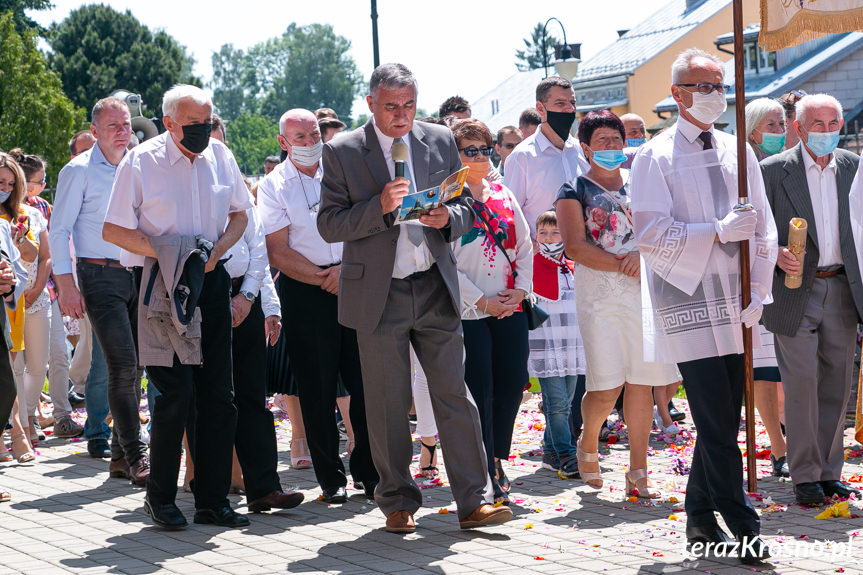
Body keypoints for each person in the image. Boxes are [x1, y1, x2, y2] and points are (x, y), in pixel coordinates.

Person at [317, 63, 512, 533]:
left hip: (433, 285)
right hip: (378, 293)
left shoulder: (439, 140)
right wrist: (380, 207)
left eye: (408, 105)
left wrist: (449, 218)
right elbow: (330, 224)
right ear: (370, 104)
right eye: (391, 106)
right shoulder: (342, 151)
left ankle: (474, 500)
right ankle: (398, 500)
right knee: (386, 401)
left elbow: (467, 207)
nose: (402, 115)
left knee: (454, 394)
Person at [631, 48, 776, 565]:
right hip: (687, 298)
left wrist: (760, 288)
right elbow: (648, 232)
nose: (715, 95)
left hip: (736, 300)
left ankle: (698, 514)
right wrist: (713, 232)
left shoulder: (740, 150)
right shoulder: (655, 155)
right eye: (703, 85)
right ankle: (744, 527)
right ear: (677, 94)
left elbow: (764, 225)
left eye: (720, 85)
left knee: (723, 416)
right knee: (717, 422)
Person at [103, 84, 251, 530]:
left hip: (209, 280)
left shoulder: (221, 156)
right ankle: (160, 497)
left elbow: (241, 214)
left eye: (208, 122)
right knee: (173, 396)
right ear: (168, 123)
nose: (204, 131)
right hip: (158, 286)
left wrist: (215, 251)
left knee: (218, 395)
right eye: (194, 125)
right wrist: (170, 252)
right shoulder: (141, 160)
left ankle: (211, 500)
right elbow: (113, 229)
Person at [258, 108, 378, 503]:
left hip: (355, 279)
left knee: (363, 382)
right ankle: (331, 478)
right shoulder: (274, 186)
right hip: (305, 290)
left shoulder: (343, 169)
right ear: (283, 143)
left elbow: (366, 225)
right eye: (300, 138)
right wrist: (322, 277)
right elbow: (277, 250)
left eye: (314, 135)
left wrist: (345, 272)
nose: (310, 144)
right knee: (316, 385)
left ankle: (367, 469)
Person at [557, 110, 678, 497]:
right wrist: (622, 265)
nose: (611, 146)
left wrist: (643, 260)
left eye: (616, 138)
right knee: (607, 386)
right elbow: (575, 246)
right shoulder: (573, 189)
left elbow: (662, 226)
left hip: (645, 290)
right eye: (602, 140)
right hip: (601, 294)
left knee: (642, 382)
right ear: (586, 147)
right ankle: (588, 442)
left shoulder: (642, 182)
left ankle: (638, 470)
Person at [761, 93, 862, 505]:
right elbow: (755, 231)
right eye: (816, 124)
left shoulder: (855, 167)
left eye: (832, 123)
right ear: (798, 129)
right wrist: (773, 253)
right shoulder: (771, 171)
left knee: (837, 386)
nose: (825, 131)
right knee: (801, 384)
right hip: (793, 288)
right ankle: (804, 475)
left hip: (843, 287)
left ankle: (828, 472)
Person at [51, 97, 149, 479]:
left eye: (126, 124)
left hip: (137, 273)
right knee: (122, 364)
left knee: (136, 364)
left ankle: (121, 456)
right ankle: (137, 453)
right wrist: (65, 284)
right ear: (94, 131)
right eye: (113, 125)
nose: (123, 131)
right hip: (98, 276)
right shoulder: (77, 171)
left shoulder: (139, 166)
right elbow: (58, 230)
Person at [448, 118, 532, 503]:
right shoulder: (446, 200)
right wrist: (480, 300)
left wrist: (519, 292)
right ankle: (484, 470)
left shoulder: (503, 193)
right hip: (470, 311)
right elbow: (441, 262)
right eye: (471, 150)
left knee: (512, 384)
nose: (481, 156)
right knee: (479, 389)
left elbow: (526, 246)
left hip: (510, 305)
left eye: (486, 148)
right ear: (454, 155)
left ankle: (499, 456)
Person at [11, 150, 82, 439]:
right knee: (20, 363)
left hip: (46, 293)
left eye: (42, 181)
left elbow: (52, 252)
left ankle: (59, 414)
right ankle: (22, 420)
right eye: (37, 181)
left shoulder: (43, 208)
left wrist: (48, 287)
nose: (40, 186)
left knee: (55, 356)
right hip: (14, 296)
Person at [744, 97, 789, 477]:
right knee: (764, 371)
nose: (779, 132)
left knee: (787, 368)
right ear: (753, 128)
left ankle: (792, 437)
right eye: (772, 125)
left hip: (792, 279)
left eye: (782, 125)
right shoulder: (741, 168)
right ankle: (778, 446)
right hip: (756, 277)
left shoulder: (792, 165)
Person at [529, 210, 586, 475]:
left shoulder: (574, 265)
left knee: (569, 399)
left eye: (555, 232)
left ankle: (550, 451)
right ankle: (566, 453)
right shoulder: (530, 265)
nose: (549, 238)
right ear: (536, 235)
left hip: (572, 344)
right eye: (543, 233)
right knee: (558, 403)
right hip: (546, 343)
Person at [506, 76, 589, 237]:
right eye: (560, 103)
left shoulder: (581, 150)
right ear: (541, 108)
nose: (570, 109)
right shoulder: (522, 157)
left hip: (584, 255)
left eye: (572, 102)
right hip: (542, 257)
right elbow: (510, 214)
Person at [0, 153, 38, 464]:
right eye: (1, 181)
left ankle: (14, 434)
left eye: (11, 184)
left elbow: (31, 253)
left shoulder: (19, 215)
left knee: (7, 372)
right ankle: (15, 435)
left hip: (12, 302)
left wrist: (20, 238)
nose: (6, 188)